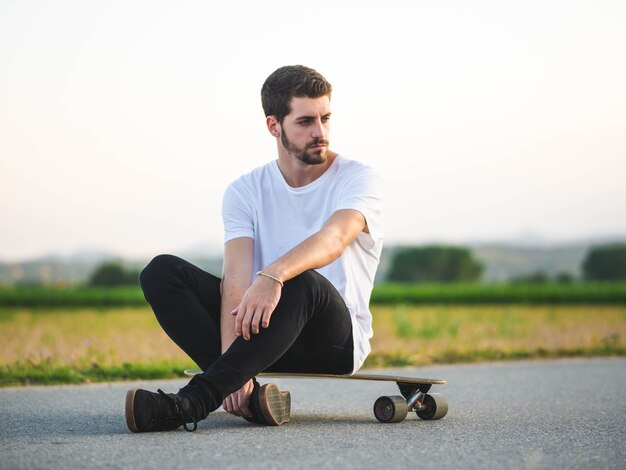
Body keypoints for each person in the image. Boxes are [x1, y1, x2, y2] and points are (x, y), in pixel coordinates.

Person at [125, 65, 384, 432]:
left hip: (332, 341)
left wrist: (274, 275)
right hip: (262, 336)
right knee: (162, 272)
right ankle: (247, 395)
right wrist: (235, 358)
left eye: (326, 118)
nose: (320, 132)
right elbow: (234, 278)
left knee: (303, 281)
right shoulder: (245, 190)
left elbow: (335, 239)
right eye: (306, 121)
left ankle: (190, 403)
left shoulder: (358, 178)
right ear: (274, 126)